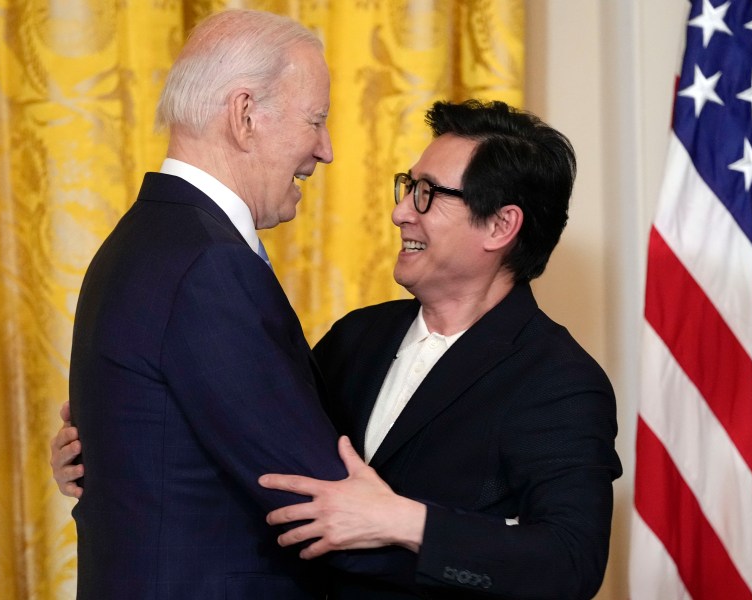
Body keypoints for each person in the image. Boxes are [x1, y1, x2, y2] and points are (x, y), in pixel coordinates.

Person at [53, 99, 622, 599]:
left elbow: (570, 561)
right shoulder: (359, 337)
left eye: (428, 195)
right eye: (407, 186)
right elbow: (258, 446)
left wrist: (408, 522)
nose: (401, 211)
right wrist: (111, 450)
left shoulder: (560, 380)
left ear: (500, 226)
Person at [63, 9, 408, 599]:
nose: (326, 150)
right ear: (245, 116)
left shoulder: (143, 239)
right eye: (316, 121)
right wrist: (474, 557)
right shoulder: (209, 264)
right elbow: (313, 498)